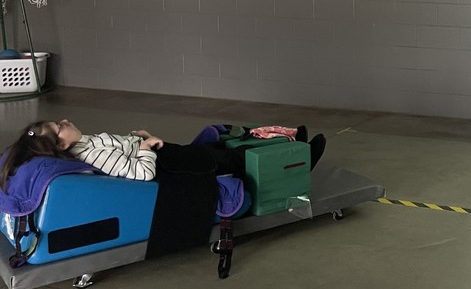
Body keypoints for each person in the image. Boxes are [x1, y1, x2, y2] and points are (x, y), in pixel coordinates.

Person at [0, 119, 327, 190]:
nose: (65, 122)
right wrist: (145, 149)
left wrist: (135, 138)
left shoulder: (88, 142)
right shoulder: (92, 155)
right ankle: (299, 161)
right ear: (61, 146)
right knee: (233, 158)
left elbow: (121, 151)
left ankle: (291, 140)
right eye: (60, 127)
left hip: (168, 152)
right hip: (171, 165)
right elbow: (140, 173)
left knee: (226, 144)